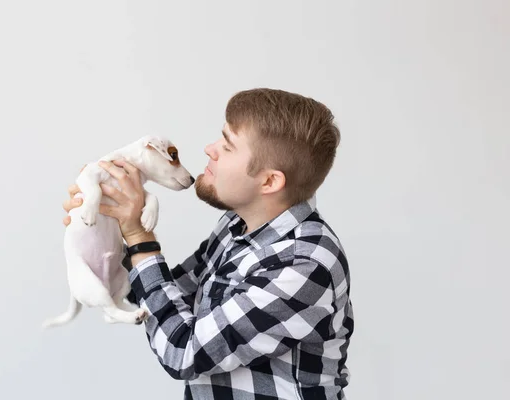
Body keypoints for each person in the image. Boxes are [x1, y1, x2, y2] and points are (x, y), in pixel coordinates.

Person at [62, 88, 354, 400]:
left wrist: (138, 237)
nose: (209, 149)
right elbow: (162, 300)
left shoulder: (304, 264)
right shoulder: (236, 226)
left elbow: (183, 351)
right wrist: (105, 227)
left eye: (227, 146)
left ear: (269, 181)